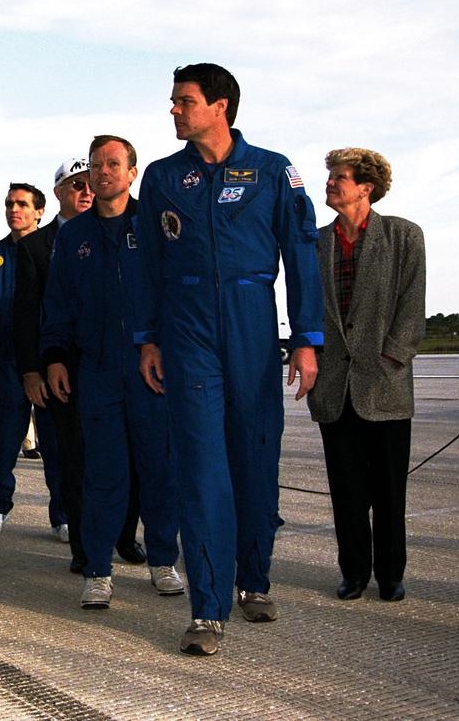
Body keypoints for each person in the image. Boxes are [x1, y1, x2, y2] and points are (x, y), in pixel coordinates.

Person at [136, 63, 322, 656]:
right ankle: (208, 608)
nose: (173, 109)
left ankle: (255, 580)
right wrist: (148, 337)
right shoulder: (164, 177)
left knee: (254, 454)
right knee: (200, 466)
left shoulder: (272, 170)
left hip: (251, 320)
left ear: (220, 106)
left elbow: (301, 253)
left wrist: (308, 339)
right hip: (187, 327)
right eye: (173, 101)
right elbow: (147, 267)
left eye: (183, 101)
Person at [42, 135, 184, 609]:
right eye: (96, 166)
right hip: (96, 370)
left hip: (150, 369)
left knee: (159, 468)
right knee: (102, 473)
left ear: (131, 173)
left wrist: (162, 346)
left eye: (113, 164)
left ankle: (163, 559)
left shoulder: (157, 225)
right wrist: (55, 356)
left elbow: (174, 293)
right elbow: (57, 303)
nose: (102, 173)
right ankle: (98, 569)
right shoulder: (73, 235)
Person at [307, 148, 425, 603]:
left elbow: (413, 305)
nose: (331, 184)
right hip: (335, 388)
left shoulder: (403, 236)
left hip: (385, 387)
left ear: (366, 187)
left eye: (340, 177)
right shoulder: (315, 242)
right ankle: (353, 572)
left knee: (390, 492)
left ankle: (391, 574)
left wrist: (393, 358)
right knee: (347, 492)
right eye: (331, 177)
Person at [0, 183, 67, 539]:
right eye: (10, 204)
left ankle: (61, 515)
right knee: (1, 441)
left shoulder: (55, 248)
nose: (15, 210)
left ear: (40, 211)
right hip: (8, 361)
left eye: (23, 205)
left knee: (56, 443)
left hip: (49, 359)